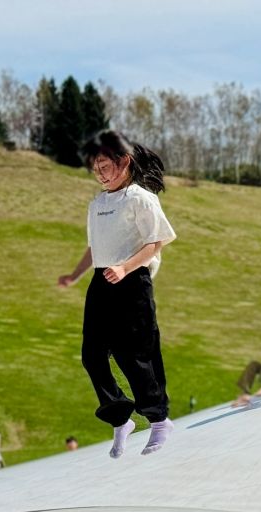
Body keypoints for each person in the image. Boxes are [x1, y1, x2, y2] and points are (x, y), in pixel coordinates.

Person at [58, 129, 177, 458]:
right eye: (94, 165)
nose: (98, 170)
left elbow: (157, 241)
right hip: (102, 280)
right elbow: (95, 248)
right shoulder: (97, 203)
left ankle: (158, 421)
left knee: (133, 356)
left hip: (133, 280)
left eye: (104, 164)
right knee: (92, 355)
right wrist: (74, 275)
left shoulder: (140, 197)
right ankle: (120, 417)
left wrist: (125, 267)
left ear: (124, 162)